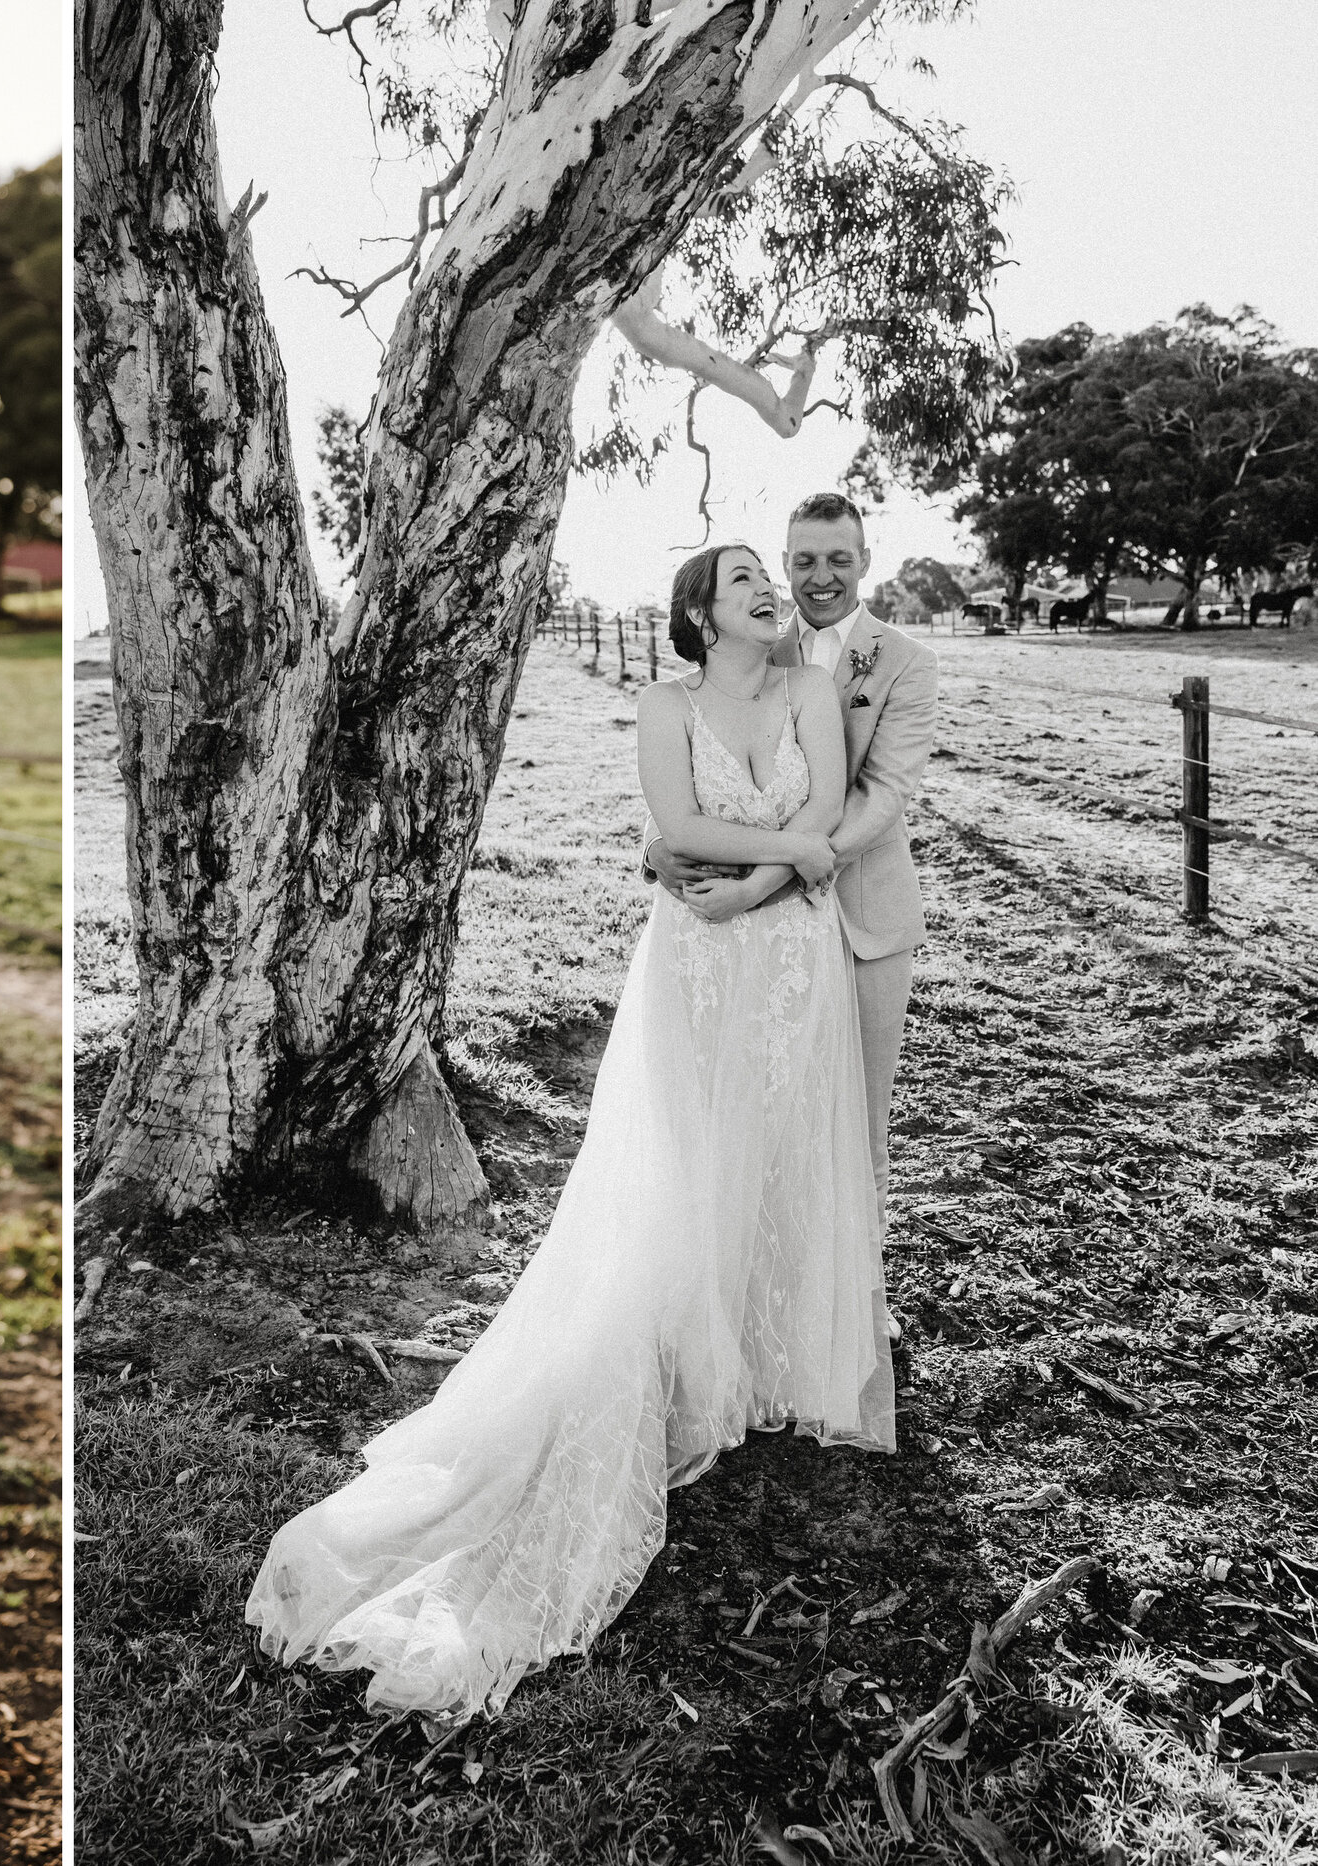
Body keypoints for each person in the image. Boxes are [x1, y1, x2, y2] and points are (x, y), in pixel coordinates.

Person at [244, 543, 894, 1719]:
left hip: (783, 953)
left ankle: (770, 1347)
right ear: (697, 610)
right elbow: (678, 819)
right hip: (689, 965)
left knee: (784, 1144)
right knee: (693, 1158)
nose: (763, 586)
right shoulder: (663, 702)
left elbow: (818, 816)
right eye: (738, 575)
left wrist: (757, 883)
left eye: (768, 574)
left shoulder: (807, 690)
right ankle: (682, 1340)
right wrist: (773, 862)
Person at [648, 491, 938, 1209]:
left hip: (863, 916)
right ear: (785, 563)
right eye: (804, 560)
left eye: (839, 559)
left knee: (859, 1116)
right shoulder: (752, 645)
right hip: (757, 940)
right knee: (765, 1113)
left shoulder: (904, 662)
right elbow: (695, 774)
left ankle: (863, 1305)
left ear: (865, 560)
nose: (821, 576)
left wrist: (769, 880)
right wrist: (657, 846)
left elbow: (882, 795)